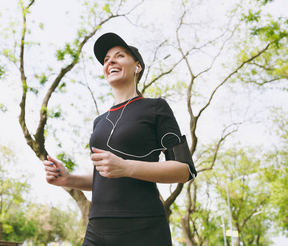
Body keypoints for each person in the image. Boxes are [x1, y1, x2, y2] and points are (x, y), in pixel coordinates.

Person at [43, 32, 197, 246]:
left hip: (143, 227)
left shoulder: (156, 108)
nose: (111, 61)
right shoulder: (99, 122)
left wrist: (126, 167)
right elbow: (103, 178)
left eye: (120, 56)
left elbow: (184, 170)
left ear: (137, 67)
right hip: (97, 228)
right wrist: (69, 179)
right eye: (106, 60)